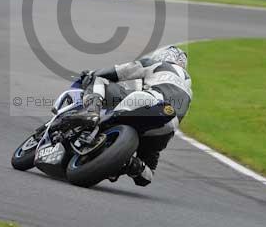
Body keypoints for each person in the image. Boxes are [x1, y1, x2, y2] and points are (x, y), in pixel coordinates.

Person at [76, 45, 192, 186]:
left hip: (149, 102)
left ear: (162, 56)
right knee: (148, 173)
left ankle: (92, 112)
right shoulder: (189, 88)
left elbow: (118, 72)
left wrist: (91, 74)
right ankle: (133, 165)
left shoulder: (156, 64)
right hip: (167, 127)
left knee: (98, 80)